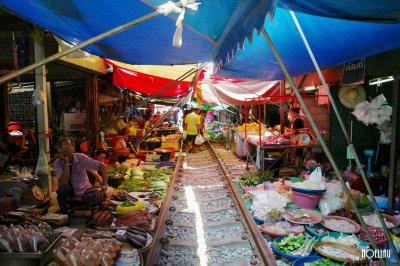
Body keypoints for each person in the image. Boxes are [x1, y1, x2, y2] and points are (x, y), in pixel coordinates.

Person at [54, 137, 108, 214]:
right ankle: (65, 213)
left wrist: (104, 188)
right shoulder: (57, 162)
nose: (65, 150)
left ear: (73, 148)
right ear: (59, 150)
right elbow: (64, 182)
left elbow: (102, 166)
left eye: (67, 147)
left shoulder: (81, 157)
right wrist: (66, 162)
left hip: (85, 191)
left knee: (103, 195)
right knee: (62, 189)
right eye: (62, 148)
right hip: (69, 193)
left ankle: (79, 202)